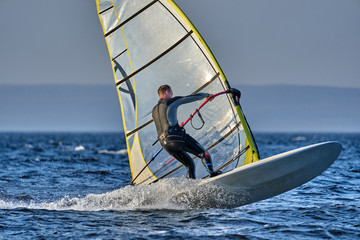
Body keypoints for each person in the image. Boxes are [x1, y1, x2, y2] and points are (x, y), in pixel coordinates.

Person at [152, 84, 221, 179]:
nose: (172, 95)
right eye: (171, 93)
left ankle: (191, 186)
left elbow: (164, 125)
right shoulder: (171, 101)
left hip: (165, 144)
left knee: (189, 164)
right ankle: (213, 174)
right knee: (204, 153)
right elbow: (190, 98)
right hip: (175, 138)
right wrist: (207, 95)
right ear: (167, 92)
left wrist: (177, 126)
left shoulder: (154, 110)